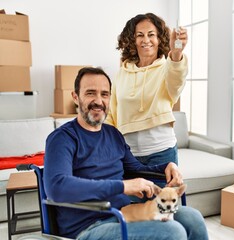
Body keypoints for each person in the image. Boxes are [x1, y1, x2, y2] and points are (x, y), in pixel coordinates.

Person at [43, 67, 208, 240]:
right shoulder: (62, 139)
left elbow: (135, 170)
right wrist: (123, 186)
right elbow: (57, 187)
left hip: (124, 215)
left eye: (105, 94)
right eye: (91, 93)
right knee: (173, 231)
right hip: (88, 228)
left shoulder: (113, 134)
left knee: (193, 219)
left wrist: (166, 167)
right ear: (76, 97)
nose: (98, 101)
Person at [106, 13, 188, 166]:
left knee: (163, 191)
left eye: (151, 34)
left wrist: (176, 54)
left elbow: (176, 81)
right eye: (139, 35)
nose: (146, 40)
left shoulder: (168, 67)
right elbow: (112, 113)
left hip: (162, 152)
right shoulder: (122, 73)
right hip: (128, 154)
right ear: (133, 40)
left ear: (159, 39)